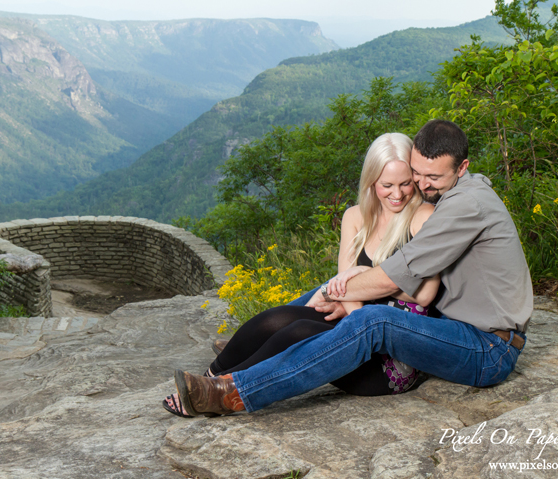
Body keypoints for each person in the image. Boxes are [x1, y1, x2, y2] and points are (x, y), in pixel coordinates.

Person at [172, 119, 533, 417]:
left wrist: (339, 289)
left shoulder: (462, 206)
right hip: (449, 328)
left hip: (487, 347)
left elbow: (401, 277)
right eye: (417, 174)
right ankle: (248, 355)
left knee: (368, 318)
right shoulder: (452, 193)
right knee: (323, 300)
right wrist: (339, 289)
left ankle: (232, 394)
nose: (420, 186)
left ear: (462, 168)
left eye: (431, 179)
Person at [163, 132, 438, 417]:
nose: (397, 194)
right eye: (387, 185)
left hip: (391, 359)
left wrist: (366, 276)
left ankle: (216, 392)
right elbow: (346, 288)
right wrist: (356, 315)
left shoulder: (422, 217)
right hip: (354, 322)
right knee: (273, 321)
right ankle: (208, 379)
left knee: (297, 332)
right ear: (371, 182)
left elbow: (425, 295)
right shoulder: (356, 217)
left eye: (406, 183)